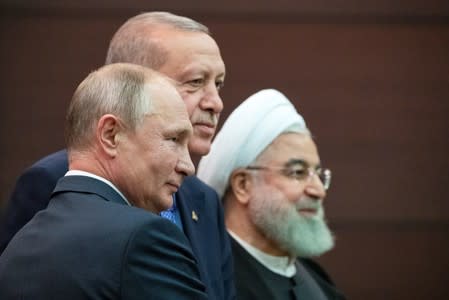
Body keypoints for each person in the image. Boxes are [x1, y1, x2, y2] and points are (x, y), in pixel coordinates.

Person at [0, 12, 234, 300]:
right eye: (196, 81)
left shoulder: (204, 199)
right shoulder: (51, 181)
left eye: (219, 84)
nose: (216, 102)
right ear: (132, 79)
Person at [197, 89, 346, 300]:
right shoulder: (211, 283)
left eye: (318, 174)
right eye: (297, 173)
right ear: (243, 185)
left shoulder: (313, 274)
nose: (318, 190)